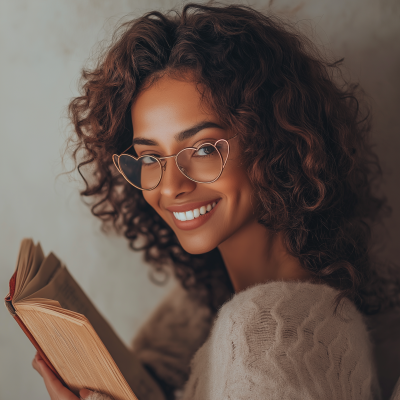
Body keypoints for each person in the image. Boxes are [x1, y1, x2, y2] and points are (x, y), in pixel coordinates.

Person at [31, 3, 400, 400]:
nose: (170, 186)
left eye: (204, 149)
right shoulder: (266, 307)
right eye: (150, 157)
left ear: (274, 145)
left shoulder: (268, 333)